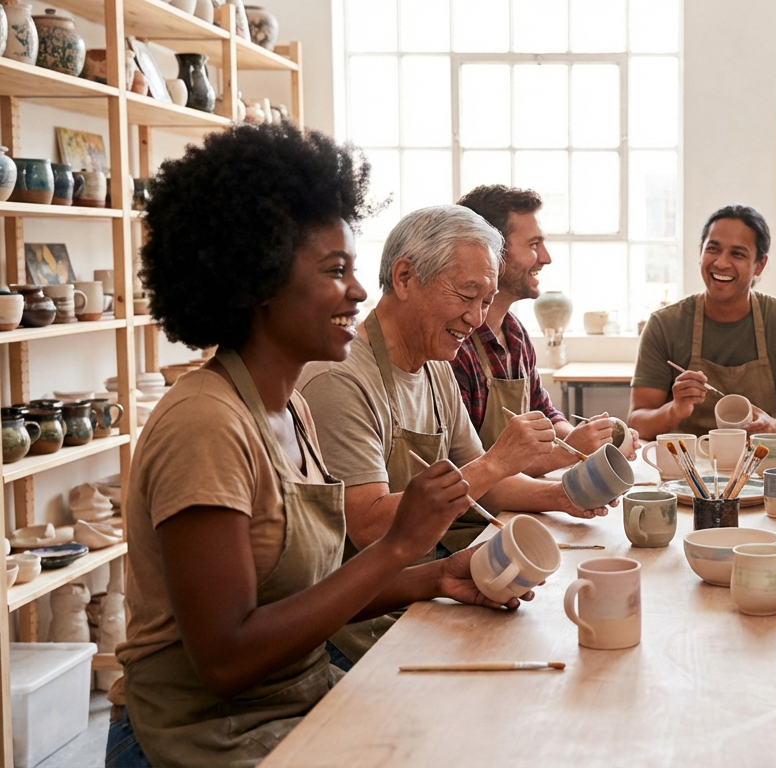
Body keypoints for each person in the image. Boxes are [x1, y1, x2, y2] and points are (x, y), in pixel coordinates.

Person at [110, 124, 516, 768]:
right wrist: (403, 546)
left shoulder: (288, 407)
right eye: (335, 271)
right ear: (260, 280)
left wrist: (436, 576)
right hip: (204, 737)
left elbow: (314, 588)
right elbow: (227, 659)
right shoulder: (206, 425)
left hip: (292, 706)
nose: (359, 292)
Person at [298, 205, 610, 666]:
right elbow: (367, 528)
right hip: (360, 625)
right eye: (467, 294)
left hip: (427, 585)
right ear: (404, 278)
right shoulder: (340, 379)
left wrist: (559, 496)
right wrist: (496, 462)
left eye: (487, 300)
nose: (478, 318)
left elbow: (487, 484)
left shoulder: (436, 367)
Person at [453, 184, 639, 475]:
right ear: (491, 252)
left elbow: (546, 414)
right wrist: (574, 451)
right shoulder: (456, 346)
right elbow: (475, 470)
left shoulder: (515, 333)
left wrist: (590, 436)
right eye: (533, 245)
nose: (546, 257)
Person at [629, 204, 776, 440]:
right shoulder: (664, 324)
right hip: (685, 468)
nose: (720, 263)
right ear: (700, 252)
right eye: (713, 249)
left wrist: (773, 427)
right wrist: (674, 410)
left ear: (760, 265)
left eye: (737, 254)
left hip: (758, 464)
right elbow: (637, 422)